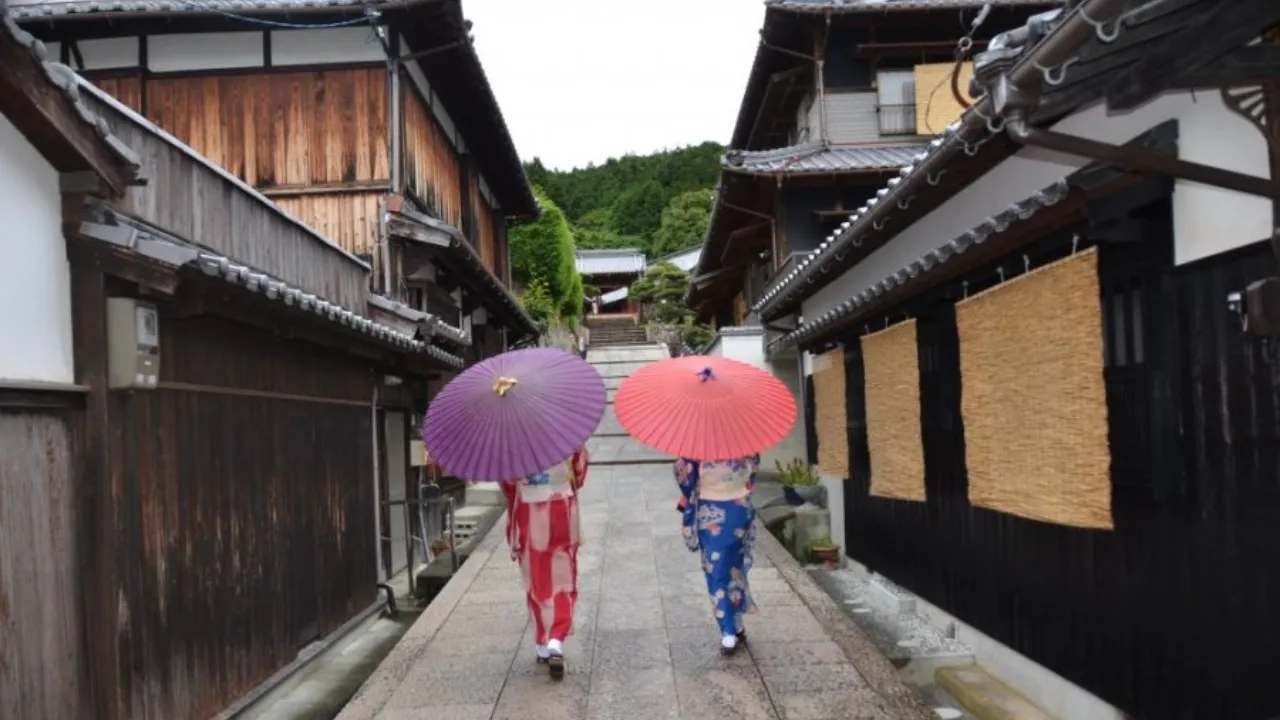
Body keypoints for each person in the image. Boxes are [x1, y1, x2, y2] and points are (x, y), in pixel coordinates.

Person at [499, 446, 589, 679]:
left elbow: (508, 486)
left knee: (536, 577)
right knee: (563, 577)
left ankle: (542, 642)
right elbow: (579, 474)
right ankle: (556, 640)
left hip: (531, 511)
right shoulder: (569, 435)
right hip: (562, 508)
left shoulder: (512, 440)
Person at [674, 454, 760, 654]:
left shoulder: (695, 443)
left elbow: (684, 478)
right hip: (739, 508)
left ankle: (728, 631)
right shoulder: (746, 441)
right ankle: (736, 623)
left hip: (711, 509)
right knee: (734, 566)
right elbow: (753, 472)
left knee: (716, 572)